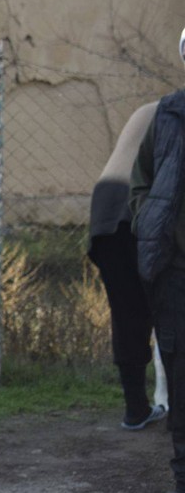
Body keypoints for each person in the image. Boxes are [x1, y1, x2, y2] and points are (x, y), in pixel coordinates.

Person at [131, 25, 185, 493]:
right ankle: (184, 486)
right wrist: (147, 216)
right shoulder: (169, 114)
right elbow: (141, 179)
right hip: (177, 271)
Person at [89, 100, 166, 431]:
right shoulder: (176, 112)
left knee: (127, 313)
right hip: (140, 203)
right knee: (170, 307)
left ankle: (136, 410)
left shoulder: (152, 108)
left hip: (105, 205)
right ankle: (174, 411)